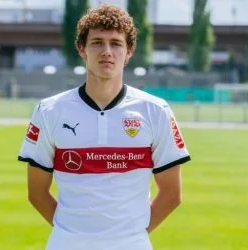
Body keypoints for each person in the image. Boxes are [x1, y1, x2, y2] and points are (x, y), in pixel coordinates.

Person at [18, 4, 191, 250]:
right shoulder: (49, 110)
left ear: (129, 51)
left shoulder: (155, 110)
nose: (106, 51)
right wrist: (72, 234)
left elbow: (172, 194)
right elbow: (36, 192)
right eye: (97, 42)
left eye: (116, 43)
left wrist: (130, 236)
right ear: (82, 49)